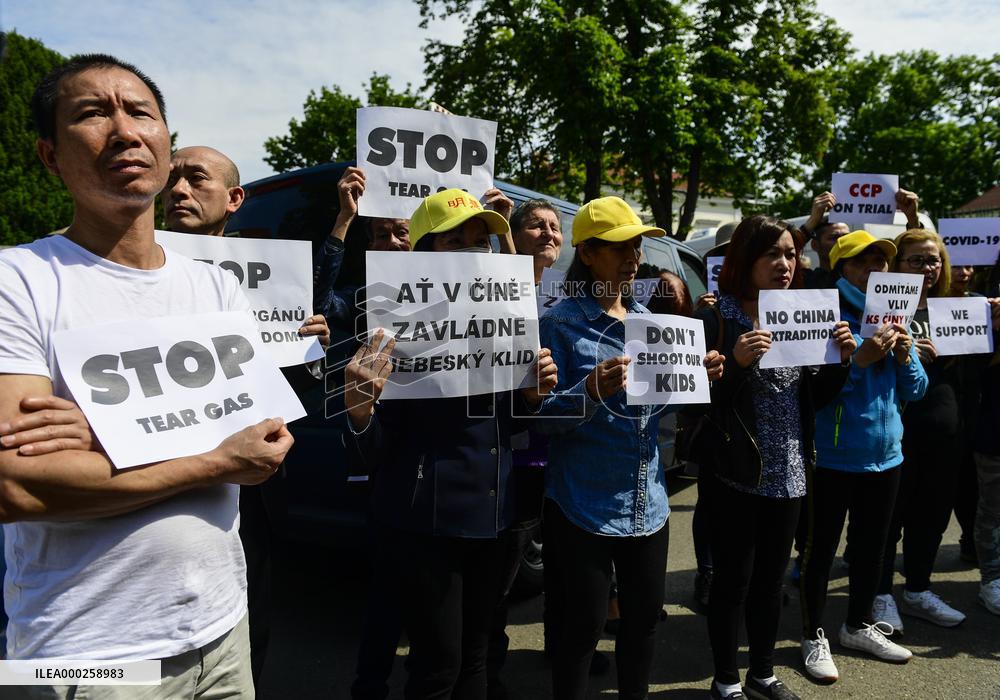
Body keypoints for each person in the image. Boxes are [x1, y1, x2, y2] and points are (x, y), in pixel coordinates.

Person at [0, 54, 293, 697]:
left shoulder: (218, 287)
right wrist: (212, 458)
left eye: (141, 112)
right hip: (88, 657)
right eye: (92, 113)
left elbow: (265, 440)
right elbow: (18, 488)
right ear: (51, 156)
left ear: (164, 140)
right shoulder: (17, 281)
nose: (124, 130)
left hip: (222, 633)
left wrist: (107, 429)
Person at [342, 188, 558, 700]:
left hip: (496, 515)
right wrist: (359, 410)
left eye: (479, 241)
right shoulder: (386, 328)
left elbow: (518, 425)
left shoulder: (508, 323)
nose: (470, 251)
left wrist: (530, 395)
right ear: (422, 255)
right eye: (454, 241)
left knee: (477, 658)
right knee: (438, 667)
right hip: (424, 524)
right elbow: (364, 454)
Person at [534, 196, 724, 700]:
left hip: (649, 505)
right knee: (580, 633)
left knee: (642, 625)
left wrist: (694, 383)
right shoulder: (560, 325)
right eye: (620, 246)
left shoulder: (650, 325)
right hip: (582, 506)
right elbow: (541, 421)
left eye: (637, 246)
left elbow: (651, 417)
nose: (633, 256)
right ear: (589, 253)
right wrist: (589, 391)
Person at [162, 144, 329, 685]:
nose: (179, 190)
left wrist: (310, 346)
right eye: (173, 179)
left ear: (234, 199)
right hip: (161, 470)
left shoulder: (269, 274)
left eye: (196, 178)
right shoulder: (129, 266)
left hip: (248, 483)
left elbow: (286, 386)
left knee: (247, 599)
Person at [694, 216, 855, 700]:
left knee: (769, 583)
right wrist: (736, 366)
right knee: (732, 583)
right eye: (773, 255)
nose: (786, 264)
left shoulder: (801, 312)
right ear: (746, 260)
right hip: (735, 473)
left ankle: (761, 673)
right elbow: (695, 401)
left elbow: (813, 397)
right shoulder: (717, 317)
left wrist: (841, 362)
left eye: (791, 253)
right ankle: (725, 680)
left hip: (790, 471)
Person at [799, 230, 928, 683]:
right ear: (843, 268)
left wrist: (907, 356)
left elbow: (917, 390)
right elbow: (815, 395)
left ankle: (856, 626)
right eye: (866, 259)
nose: (879, 267)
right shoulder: (824, 314)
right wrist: (860, 362)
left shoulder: (897, 317)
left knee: (873, 551)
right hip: (833, 457)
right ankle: (813, 635)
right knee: (818, 554)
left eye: (884, 259)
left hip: (886, 456)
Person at [872, 228, 968, 631]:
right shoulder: (882, 309)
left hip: (945, 433)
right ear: (897, 266)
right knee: (888, 518)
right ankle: (879, 595)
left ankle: (917, 590)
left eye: (934, 260)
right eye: (917, 260)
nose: (928, 267)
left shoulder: (957, 307)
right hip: (897, 432)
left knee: (931, 516)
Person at [949, 262, 982, 564]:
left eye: (968, 266)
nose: (963, 272)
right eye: (956, 266)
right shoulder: (931, 305)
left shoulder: (981, 304)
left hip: (975, 406)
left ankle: (971, 537)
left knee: (973, 481)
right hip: (944, 407)